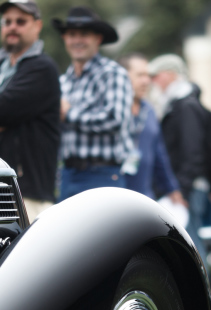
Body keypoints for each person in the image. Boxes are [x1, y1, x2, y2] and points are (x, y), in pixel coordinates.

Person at [0, 1, 61, 220]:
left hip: (27, 194)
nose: (12, 27)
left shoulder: (42, 68)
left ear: (37, 26)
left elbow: (3, 107)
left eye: (20, 21)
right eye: (7, 22)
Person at [52, 7, 133, 201]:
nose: (77, 40)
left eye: (84, 34)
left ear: (98, 39)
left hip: (102, 175)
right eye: (72, 34)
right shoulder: (63, 81)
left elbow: (115, 119)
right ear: (65, 39)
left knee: (104, 232)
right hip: (66, 174)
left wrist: (69, 114)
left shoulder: (113, 73)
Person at [148, 54, 210, 262]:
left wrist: (181, 189)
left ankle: (200, 294)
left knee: (191, 250)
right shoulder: (176, 105)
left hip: (186, 190)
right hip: (183, 188)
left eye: (156, 75)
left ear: (171, 75)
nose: (152, 81)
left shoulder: (185, 106)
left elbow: (192, 152)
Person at [117, 52, 183, 203]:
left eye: (148, 75)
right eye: (140, 75)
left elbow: (159, 154)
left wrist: (172, 188)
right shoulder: (111, 110)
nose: (146, 81)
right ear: (122, 76)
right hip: (114, 198)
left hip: (144, 199)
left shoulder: (149, 111)